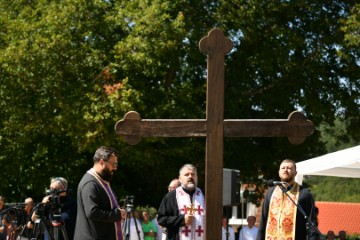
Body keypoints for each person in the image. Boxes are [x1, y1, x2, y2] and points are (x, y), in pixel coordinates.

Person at [257, 159, 317, 240]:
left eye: (289, 168)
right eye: (283, 168)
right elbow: (263, 220)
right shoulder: (270, 193)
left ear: (295, 173)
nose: (285, 170)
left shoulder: (304, 194)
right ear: (279, 172)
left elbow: (311, 223)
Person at [74, 146, 125, 240]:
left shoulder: (101, 181)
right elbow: (92, 212)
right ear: (102, 162)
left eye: (116, 164)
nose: (115, 168)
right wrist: (116, 214)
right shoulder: (90, 183)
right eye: (113, 164)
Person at [157, 164, 205, 240]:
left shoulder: (204, 196)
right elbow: (161, 220)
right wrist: (182, 220)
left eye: (193, 174)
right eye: (187, 174)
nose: (190, 176)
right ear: (180, 178)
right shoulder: (170, 197)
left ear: (197, 177)